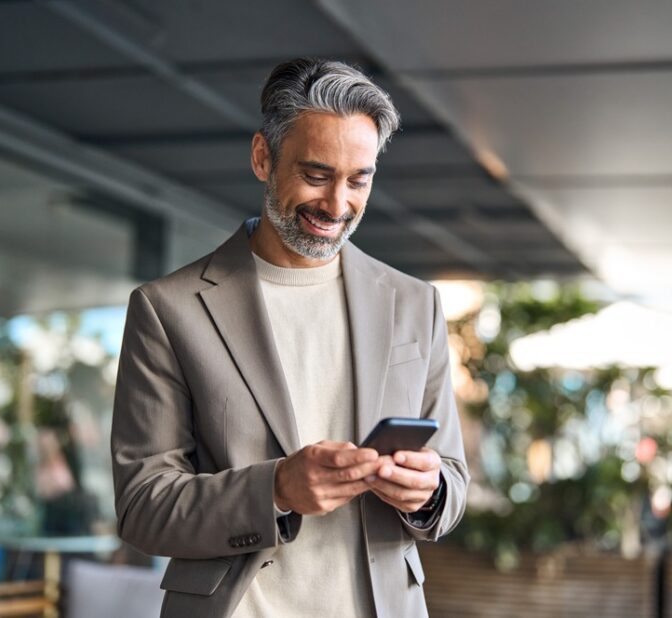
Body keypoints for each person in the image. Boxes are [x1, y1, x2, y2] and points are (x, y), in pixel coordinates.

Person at [111, 58, 469, 618]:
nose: (337, 205)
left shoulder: (415, 305)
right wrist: (276, 489)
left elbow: (453, 483)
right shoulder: (167, 310)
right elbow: (142, 507)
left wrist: (429, 493)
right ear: (262, 157)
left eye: (359, 179)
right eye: (317, 175)